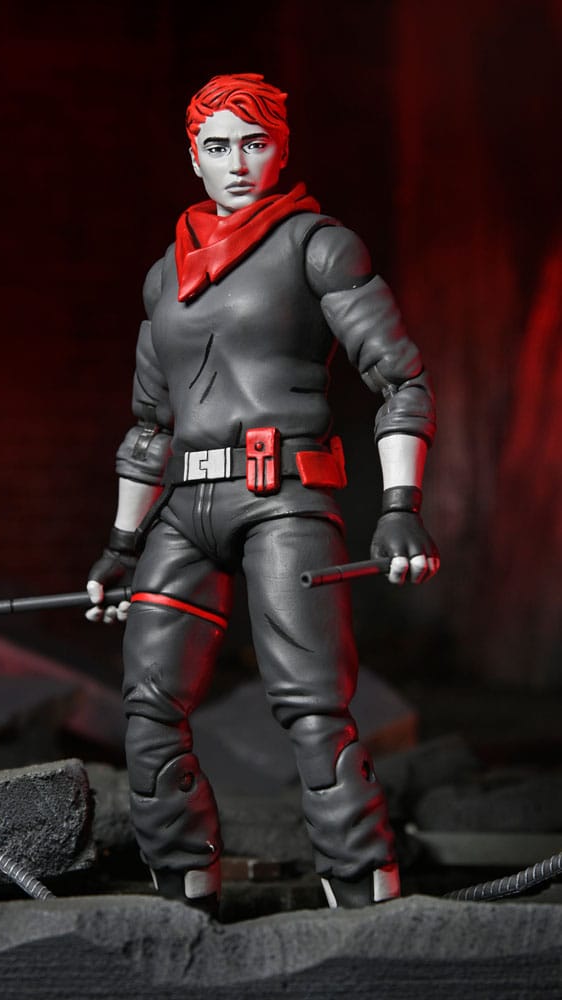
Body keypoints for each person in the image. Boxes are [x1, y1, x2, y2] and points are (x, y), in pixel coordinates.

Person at [87, 73, 439, 914]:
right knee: (148, 703)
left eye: (255, 143)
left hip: (282, 496)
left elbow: (401, 381)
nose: (237, 162)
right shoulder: (164, 275)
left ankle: (363, 889)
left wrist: (401, 507)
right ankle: (181, 889)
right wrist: (122, 544)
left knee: (311, 704)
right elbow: (148, 426)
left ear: (282, 148)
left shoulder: (317, 247)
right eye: (218, 146)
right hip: (183, 510)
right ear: (194, 158)